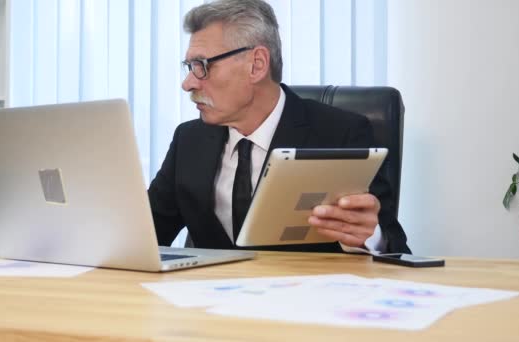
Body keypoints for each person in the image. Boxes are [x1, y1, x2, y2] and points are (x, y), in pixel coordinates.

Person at [148, 0, 410, 254]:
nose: (188, 84)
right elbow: (146, 234)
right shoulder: (189, 140)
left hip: (306, 295)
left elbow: (395, 247)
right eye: (189, 67)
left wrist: (369, 236)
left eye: (201, 66)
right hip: (207, 295)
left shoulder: (341, 133)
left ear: (257, 65)